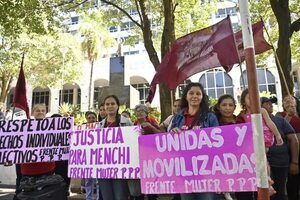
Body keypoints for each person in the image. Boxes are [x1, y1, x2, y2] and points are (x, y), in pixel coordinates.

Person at [170, 82, 220, 200]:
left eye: (198, 93)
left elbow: (219, 142)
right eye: (191, 93)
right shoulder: (178, 117)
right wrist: (172, 132)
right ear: (186, 96)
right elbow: (170, 142)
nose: (194, 96)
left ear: (202, 97)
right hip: (184, 168)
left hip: (206, 169)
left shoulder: (210, 117)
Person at [238, 89, 283, 197]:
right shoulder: (243, 115)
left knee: (262, 159)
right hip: (252, 141)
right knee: (258, 161)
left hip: (263, 137)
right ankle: (263, 184)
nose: (253, 100)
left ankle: (267, 181)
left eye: (256, 97)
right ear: (244, 101)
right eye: (250, 98)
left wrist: (277, 135)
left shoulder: (261, 110)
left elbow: (270, 123)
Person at [261, 96, 299, 200]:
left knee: (280, 193)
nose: (270, 105)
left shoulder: (279, 120)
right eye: (266, 103)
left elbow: (293, 140)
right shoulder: (251, 120)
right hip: (262, 164)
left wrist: (295, 162)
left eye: (271, 103)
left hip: (280, 163)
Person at [98, 95, 132, 200]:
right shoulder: (99, 126)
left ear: (118, 106)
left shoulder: (127, 122)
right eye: (107, 104)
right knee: (107, 197)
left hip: (120, 168)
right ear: (104, 106)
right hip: (103, 168)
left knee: (120, 196)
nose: (110, 106)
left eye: (113, 103)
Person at [128, 104, 161, 200]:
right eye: (137, 111)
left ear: (146, 114)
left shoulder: (152, 122)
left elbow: (161, 134)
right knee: (139, 186)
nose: (139, 113)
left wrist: (151, 127)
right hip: (137, 158)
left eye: (142, 111)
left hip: (151, 157)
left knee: (151, 184)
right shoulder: (133, 125)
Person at [276, 95, 300, 200]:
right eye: (286, 100)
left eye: (291, 100)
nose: (289, 102)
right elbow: (281, 129)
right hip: (291, 152)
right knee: (293, 182)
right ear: (283, 104)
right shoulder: (279, 115)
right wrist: (289, 115)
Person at [52, 113, 71, 196]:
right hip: (50, 166)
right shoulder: (45, 134)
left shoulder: (68, 133)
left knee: (63, 187)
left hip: (63, 164)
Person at [85, 111, 103, 200]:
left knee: (98, 181)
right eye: (89, 118)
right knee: (88, 181)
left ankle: (99, 198)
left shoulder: (101, 127)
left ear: (96, 118)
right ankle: (89, 198)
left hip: (99, 157)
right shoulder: (82, 129)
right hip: (87, 158)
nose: (91, 119)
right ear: (86, 120)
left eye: (93, 117)